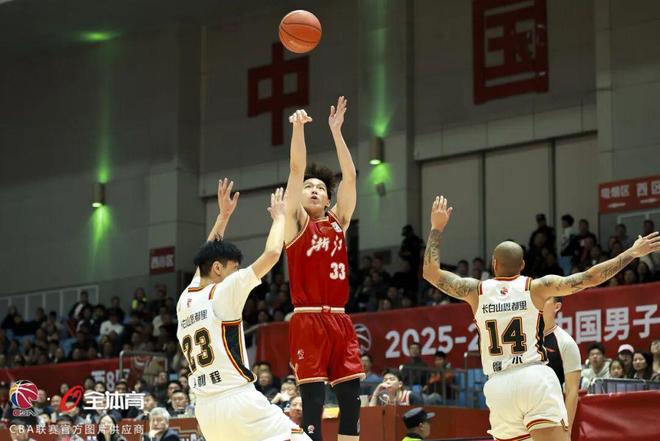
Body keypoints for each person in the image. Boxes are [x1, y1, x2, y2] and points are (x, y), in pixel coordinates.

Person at [422, 195, 660, 441]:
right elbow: (590, 277)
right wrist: (631, 253)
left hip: (497, 385)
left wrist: (436, 228)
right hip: (532, 377)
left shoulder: (476, 291)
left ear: (493, 264)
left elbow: (430, 272)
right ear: (522, 265)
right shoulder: (536, 287)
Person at [175, 179, 309, 441]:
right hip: (237, 401)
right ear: (218, 268)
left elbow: (206, 256)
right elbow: (272, 254)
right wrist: (280, 218)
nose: (236, 273)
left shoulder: (185, 298)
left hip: (206, 412)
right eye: (233, 268)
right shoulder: (224, 290)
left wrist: (223, 216)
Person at [283, 98, 363, 441]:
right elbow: (295, 169)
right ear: (299, 197)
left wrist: (336, 132)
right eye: (308, 187)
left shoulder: (338, 221)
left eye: (320, 188)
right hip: (308, 319)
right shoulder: (295, 223)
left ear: (328, 199)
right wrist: (298, 130)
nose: (314, 190)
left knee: (352, 401)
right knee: (313, 404)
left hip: (340, 319)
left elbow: (351, 176)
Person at [542, 297, 581, 434]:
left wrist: (567, 429)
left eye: (544, 299)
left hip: (550, 417)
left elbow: (572, 391)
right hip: (520, 417)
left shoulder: (566, 343)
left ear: (557, 306)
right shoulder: (523, 339)